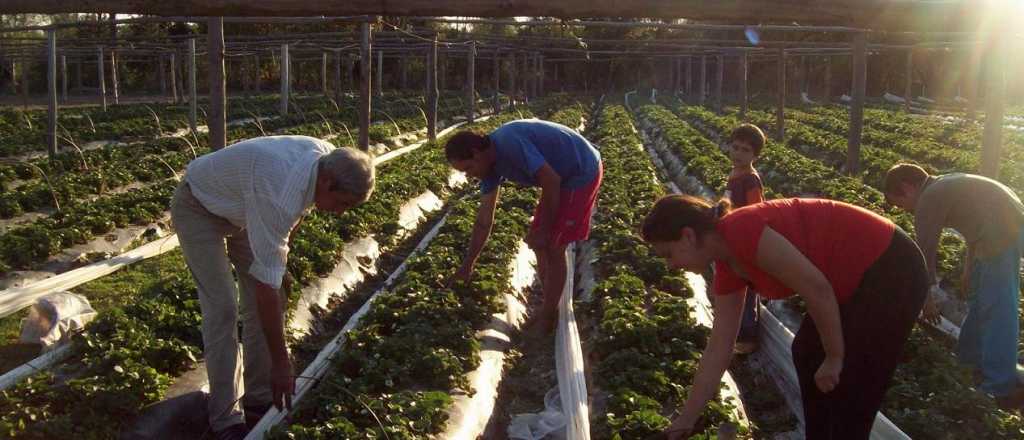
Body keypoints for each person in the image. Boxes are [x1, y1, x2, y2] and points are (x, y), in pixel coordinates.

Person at [641, 195, 927, 440]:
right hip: (852, 283)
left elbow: (816, 288)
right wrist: (685, 421)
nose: (671, 265)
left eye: (668, 254)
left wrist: (835, 356)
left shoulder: (741, 230)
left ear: (688, 236)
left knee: (851, 385)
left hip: (891, 267)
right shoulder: (727, 264)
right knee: (806, 354)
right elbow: (719, 346)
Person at [170, 135, 375, 440]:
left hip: (244, 205)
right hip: (199, 205)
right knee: (223, 307)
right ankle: (225, 418)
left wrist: (280, 263)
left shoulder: (325, 159)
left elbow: (295, 217)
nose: (342, 212)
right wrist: (282, 364)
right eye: (342, 203)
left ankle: (259, 397)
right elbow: (266, 281)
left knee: (268, 294)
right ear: (328, 182)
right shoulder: (279, 194)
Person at [883, 163, 1024, 407]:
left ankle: (1000, 387)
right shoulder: (944, 185)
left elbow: (923, 254)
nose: (903, 210)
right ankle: (968, 361)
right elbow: (974, 224)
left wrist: (926, 300)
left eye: (898, 203)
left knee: (998, 309)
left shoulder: (929, 198)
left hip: (1003, 233)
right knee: (980, 303)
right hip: (1000, 228)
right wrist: (970, 266)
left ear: (907, 187)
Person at [446, 119, 602, 334]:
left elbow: (552, 180)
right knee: (539, 245)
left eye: (468, 168)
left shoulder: (508, 142)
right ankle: (549, 306)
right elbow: (484, 220)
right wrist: (468, 264)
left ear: (476, 153)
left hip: (580, 172)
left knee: (555, 246)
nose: (469, 175)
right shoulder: (489, 168)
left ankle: (548, 316)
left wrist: (544, 230)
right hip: (558, 179)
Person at [724, 123, 765, 354]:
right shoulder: (734, 174)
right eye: (735, 147)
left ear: (755, 156)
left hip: (747, 241)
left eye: (745, 150)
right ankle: (737, 331)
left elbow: (756, 211)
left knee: (748, 290)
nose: (738, 153)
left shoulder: (750, 180)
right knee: (737, 286)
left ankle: (748, 337)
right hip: (733, 239)